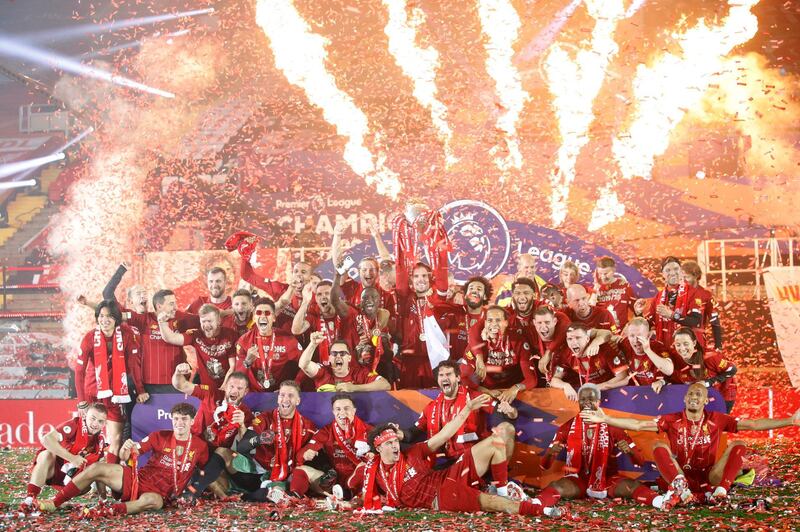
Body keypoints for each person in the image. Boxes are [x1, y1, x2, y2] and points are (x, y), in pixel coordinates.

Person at [580, 383, 800, 504]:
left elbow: (752, 424)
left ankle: (721, 490)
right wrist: (606, 419)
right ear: (685, 399)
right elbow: (638, 424)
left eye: (699, 394)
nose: (694, 396)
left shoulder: (717, 419)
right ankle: (681, 488)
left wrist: (790, 420)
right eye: (691, 393)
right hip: (680, 476)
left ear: (705, 401)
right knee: (658, 445)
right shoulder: (672, 419)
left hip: (709, 477)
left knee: (739, 442)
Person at [351, 396, 559, 517]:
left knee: (497, 441)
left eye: (396, 441)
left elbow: (444, 435)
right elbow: (358, 489)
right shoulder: (372, 471)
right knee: (492, 503)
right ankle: (541, 511)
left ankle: (502, 489)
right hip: (440, 497)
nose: (396, 446)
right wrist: (345, 501)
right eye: (389, 444)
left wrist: (467, 409)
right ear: (378, 449)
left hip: (449, 475)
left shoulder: (412, 451)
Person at [39, 402, 209, 517]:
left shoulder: (200, 446)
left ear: (192, 421)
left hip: (160, 494)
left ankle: (110, 510)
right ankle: (56, 502)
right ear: (171, 419)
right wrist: (125, 449)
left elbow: (205, 471)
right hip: (138, 479)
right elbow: (126, 456)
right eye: (176, 419)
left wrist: (198, 491)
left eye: (184, 419)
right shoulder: (159, 436)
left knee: (153, 502)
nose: (179, 423)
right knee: (97, 467)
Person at [539, 384, 671, 510]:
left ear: (598, 402)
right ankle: (536, 504)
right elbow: (544, 465)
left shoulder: (612, 425)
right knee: (557, 486)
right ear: (578, 402)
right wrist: (550, 453)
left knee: (632, 486)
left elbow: (640, 461)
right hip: (576, 480)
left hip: (608, 480)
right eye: (583, 399)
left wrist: (629, 451)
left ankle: (660, 502)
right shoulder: (566, 427)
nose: (587, 403)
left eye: (591, 399)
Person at [172, 364, 254, 501]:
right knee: (198, 472)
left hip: (216, 459)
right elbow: (181, 385)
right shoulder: (211, 393)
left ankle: (195, 491)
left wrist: (241, 426)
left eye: (240, 388)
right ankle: (195, 490)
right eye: (231, 386)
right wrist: (178, 372)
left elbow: (246, 446)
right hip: (194, 451)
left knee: (217, 473)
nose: (234, 391)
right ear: (225, 386)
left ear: (245, 392)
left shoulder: (245, 413)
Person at [408, 361, 517, 462]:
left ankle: (501, 479)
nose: (444, 378)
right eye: (441, 375)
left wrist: (511, 411)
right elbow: (412, 434)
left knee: (507, 428)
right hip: (447, 461)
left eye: (448, 374)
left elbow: (505, 415)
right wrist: (398, 434)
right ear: (438, 380)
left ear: (458, 378)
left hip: (474, 457)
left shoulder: (475, 397)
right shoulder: (431, 407)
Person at [75, 301, 142, 459]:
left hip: (116, 394)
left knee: (116, 439)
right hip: (92, 393)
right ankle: (85, 476)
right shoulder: (89, 337)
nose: (105, 320)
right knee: (87, 440)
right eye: (102, 316)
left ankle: (110, 477)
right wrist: (81, 401)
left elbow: (134, 367)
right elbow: (79, 370)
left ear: (117, 319)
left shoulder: (126, 336)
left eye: (110, 316)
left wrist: (141, 390)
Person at [232, 381, 317, 502]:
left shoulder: (308, 426)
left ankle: (266, 493)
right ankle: (265, 492)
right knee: (229, 458)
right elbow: (242, 447)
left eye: (291, 395)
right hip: (261, 471)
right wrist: (259, 439)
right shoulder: (263, 418)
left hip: (288, 474)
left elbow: (314, 453)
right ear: (278, 399)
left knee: (278, 490)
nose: (285, 399)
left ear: (298, 401)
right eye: (282, 395)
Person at [21, 403, 108, 513]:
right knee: (46, 454)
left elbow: (99, 473)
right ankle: (29, 499)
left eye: (100, 421)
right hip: (54, 471)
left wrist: (103, 500)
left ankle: (55, 502)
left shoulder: (100, 442)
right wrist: (72, 458)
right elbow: (46, 439)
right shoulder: (75, 425)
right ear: (85, 416)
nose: (95, 424)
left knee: (97, 468)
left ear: (105, 424)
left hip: (74, 483)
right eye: (93, 418)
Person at [296, 393, 373, 499]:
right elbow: (301, 454)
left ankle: (347, 493)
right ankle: (293, 497)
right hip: (334, 481)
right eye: (338, 409)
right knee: (301, 469)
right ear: (333, 412)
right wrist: (306, 454)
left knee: (365, 467)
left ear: (354, 410)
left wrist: (373, 454)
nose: (342, 412)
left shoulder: (368, 431)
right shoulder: (326, 431)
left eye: (347, 408)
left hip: (359, 481)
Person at [127, 289, 200, 394]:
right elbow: (116, 312)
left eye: (175, 303)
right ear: (159, 306)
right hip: (150, 385)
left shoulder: (180, 318)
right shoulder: (144, 320)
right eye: (171, 304)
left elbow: (205, 318)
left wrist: (228, 312)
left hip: (176, 383)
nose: (175, 307)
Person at [330, 271, 394, 381]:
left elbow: (386, 313)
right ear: (360, 302)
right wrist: (337, 276)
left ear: (379, 301)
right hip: (352, 373)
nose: (369, 300)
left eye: (373, 297)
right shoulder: (352, 314)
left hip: (375, 372)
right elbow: (335, 301)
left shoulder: (381, 317)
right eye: (365, 298)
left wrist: (374, 332)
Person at [159, 304, 238, 388]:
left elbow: (233, 366)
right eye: (203, 321)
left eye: (210, 321)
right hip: (206, 389)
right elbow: (171, 338)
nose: (206, 325)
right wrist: (162, 323)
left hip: (229, 387)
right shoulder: (196, 335)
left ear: (219, 321)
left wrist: (224, 387)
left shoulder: (230, 334)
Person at [236, 298, 303, 392]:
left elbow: (305, 364)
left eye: (267, 313)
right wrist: (247, 362)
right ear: (254, 317)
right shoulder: (244, 340)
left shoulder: (287, 339)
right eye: (259, 313)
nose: (263, 316)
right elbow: (237, 377)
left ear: (274, 318)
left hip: (279, 394)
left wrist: (295, 384)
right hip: (254, 394)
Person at [473, 306, 538, 403]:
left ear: (506, 323)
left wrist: (515, 389)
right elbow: (464, 378)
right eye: (490, 320)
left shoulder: (518, 341)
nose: (494, 324)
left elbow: (531, 379)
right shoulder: (477, 344)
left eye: (498, 320)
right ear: (485, 323)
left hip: (514, 394)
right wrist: (486, 391)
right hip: (487, 394)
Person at [634, 257, 703, 347]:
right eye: (668, 270)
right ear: (662, 274)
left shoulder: (693, 293)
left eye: (676, 269)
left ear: (681, 271)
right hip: (664, 352)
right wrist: (639, 314)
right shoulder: (658, 297)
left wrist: (672, 315)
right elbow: (649, 325)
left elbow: (696, 322)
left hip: (685, 351)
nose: (672, 273)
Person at [550, 324, 626, 400]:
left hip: (615, 392)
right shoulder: (566, 354)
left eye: (578, 338)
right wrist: (565, 386)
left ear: (587, 339)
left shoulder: (604, 349)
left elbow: (622, 376)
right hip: (591, 396)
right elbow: (554, 380)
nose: (574, 342)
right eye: (570, 339)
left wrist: (598, 387)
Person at [670, 327, 737, 412]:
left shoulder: (711, 357)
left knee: (716, 423)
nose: (682, 349)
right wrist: (662, 382)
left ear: (694, 343)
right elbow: (674, 377)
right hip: (701, 396)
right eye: (678, 344)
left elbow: (732, 369)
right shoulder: (675, 357)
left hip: (723, 393)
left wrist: (708, 383)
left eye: (686, 344)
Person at [298, 333, 390, 392]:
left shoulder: (359, 373)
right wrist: (313, 344)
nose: (338, 356)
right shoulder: (323, 372)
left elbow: (385, 385)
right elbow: (303, 365)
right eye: (334, 354)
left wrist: (354, 388)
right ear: (329, 358)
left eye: (342, 353)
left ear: (349, 358)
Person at [616, 317, 675, 392]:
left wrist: (648, 350)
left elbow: (669, 370)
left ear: (648, 335)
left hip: (658, 392)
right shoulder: (624, 344)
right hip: (637, 393)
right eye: (632, 336)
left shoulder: (658, 347)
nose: (635, 340)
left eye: (639, 336)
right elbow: (607, 335)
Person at [291, 281, 340, 366]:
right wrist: (305, 301)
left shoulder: (343, 314)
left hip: (343, 365)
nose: (323, 297)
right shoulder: (314, 316)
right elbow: (296, 330)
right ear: (316, 298)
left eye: (327, 293)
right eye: (319, 294)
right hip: (319, 367)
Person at [681, 261, 723, 349]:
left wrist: (718, 345)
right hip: (678, 340)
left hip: (697, 340)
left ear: (696, 276)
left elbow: (715, 321)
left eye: (687, 277)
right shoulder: (679, 293)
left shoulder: (706, 294)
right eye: (682, 277)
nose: (684, 280)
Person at [593, 257, 636, 329]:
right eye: (600, 273)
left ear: (613, 270)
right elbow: (589, 312)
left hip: (620, 332)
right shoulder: (596, 288)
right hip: (602, 332)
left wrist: (630, 327)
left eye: (606, 273)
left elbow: (635, 309)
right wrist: (594, 292)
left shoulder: (624, 286)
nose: (603, 277)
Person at [532, 306, 571, 385]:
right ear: (534, 323)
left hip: (567, 384)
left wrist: (556, 379)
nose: (543, 327)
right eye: (539, 323)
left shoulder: (568, 339)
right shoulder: (532, 338)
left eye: (547, 322)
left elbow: (562, 366)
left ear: (555, 321)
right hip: (543, 387)